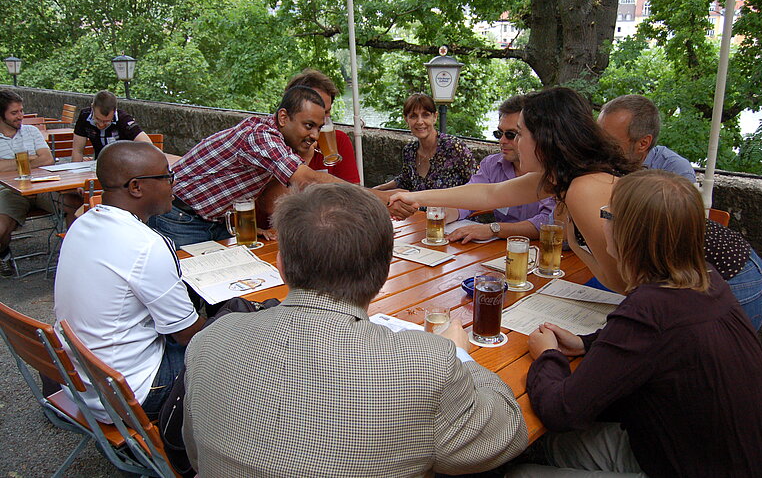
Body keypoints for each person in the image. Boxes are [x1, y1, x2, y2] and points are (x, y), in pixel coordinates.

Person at [182, 183, 528, 477]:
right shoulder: (428, 365)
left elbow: (196, 456)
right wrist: (460, 354)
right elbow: (505, 436)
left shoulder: (208, 340)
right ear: (384, 272)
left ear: (281, 266)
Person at [512, 170, 762, 477]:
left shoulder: (650, 308)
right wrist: (586, 343)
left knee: (520, 473)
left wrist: (547, 355)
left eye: (607, 214)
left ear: (628, 232)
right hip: (702, 450)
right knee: (544, 446)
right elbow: (658, 341)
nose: (601, 223)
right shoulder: (705, 278)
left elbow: (562, 411)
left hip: (690, 466)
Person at [391, 87, 639, 293]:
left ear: (545, 138)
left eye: (519, 134)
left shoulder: (583, 189)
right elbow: (489, 194)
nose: (511, 142)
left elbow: (623, 282)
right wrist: (412, 197)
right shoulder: (561, 179)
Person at [149, 86, 413, 248]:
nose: (314, 135)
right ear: (283, 117)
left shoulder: (284, 144)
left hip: (216, 219)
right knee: (190, 295)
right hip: (179, 215)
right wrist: (381, 198)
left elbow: (270, 199)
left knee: (225, 292)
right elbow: (308, 181)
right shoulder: (260, 136)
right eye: (308, 125)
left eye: (319, 127)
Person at [54, 141, 205, 421]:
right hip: (130, 392)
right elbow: (188, 335)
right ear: (136, 187)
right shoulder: (146, 245)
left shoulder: (82, 224)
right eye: (167, 177)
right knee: (229, 349)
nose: (174, 185)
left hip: (83, 383)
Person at [446, 95, 555, 243]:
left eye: (512, 135)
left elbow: (548, 223)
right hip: (502, 249)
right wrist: (445, 214)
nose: (502, 141)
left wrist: (493, 229)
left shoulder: (553, 172)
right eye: (499, 133)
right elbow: (470, 198)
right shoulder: (492, 164)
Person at [0, 90, 56, 277]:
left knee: (76, 204)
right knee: (1, 229)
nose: (20, 116)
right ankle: (4, 254)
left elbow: (47, 159)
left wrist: (8, 164)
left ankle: (73, 255)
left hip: (41, 186)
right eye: (14, 113)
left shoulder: (31, 131)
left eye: (21, 111)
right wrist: (28, 159)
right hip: (9, 191)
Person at [374, 93, 477, 191]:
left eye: (425, 115)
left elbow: (477, 183)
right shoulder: (409, 151)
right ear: (406, 119)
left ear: (435, 117)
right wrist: (374, 190)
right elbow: (405, 181)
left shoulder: (453, 147)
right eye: (413, 116)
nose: (419, 122)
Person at [597, 94, 696, 182]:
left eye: (609, 142)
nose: (600, 147)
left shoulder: (676, 171)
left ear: (643, 143)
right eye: (598, 137)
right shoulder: (597, 162)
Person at [285, 68, 360, 183]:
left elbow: (353, 191)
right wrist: (305, 157)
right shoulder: (274, 145)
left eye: (326, 112)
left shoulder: (339, 140)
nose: (323, 120)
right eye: (314, 112)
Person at [71, 90, 152, 161]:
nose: (101, 125)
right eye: (97, 119)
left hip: (123, 164)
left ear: (114, 111)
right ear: (92, 107)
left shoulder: (124, 119)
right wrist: (75, 170)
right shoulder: (84, 116)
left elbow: (148, 146)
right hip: (99, 164)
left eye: (107, 121)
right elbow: (77, 151)